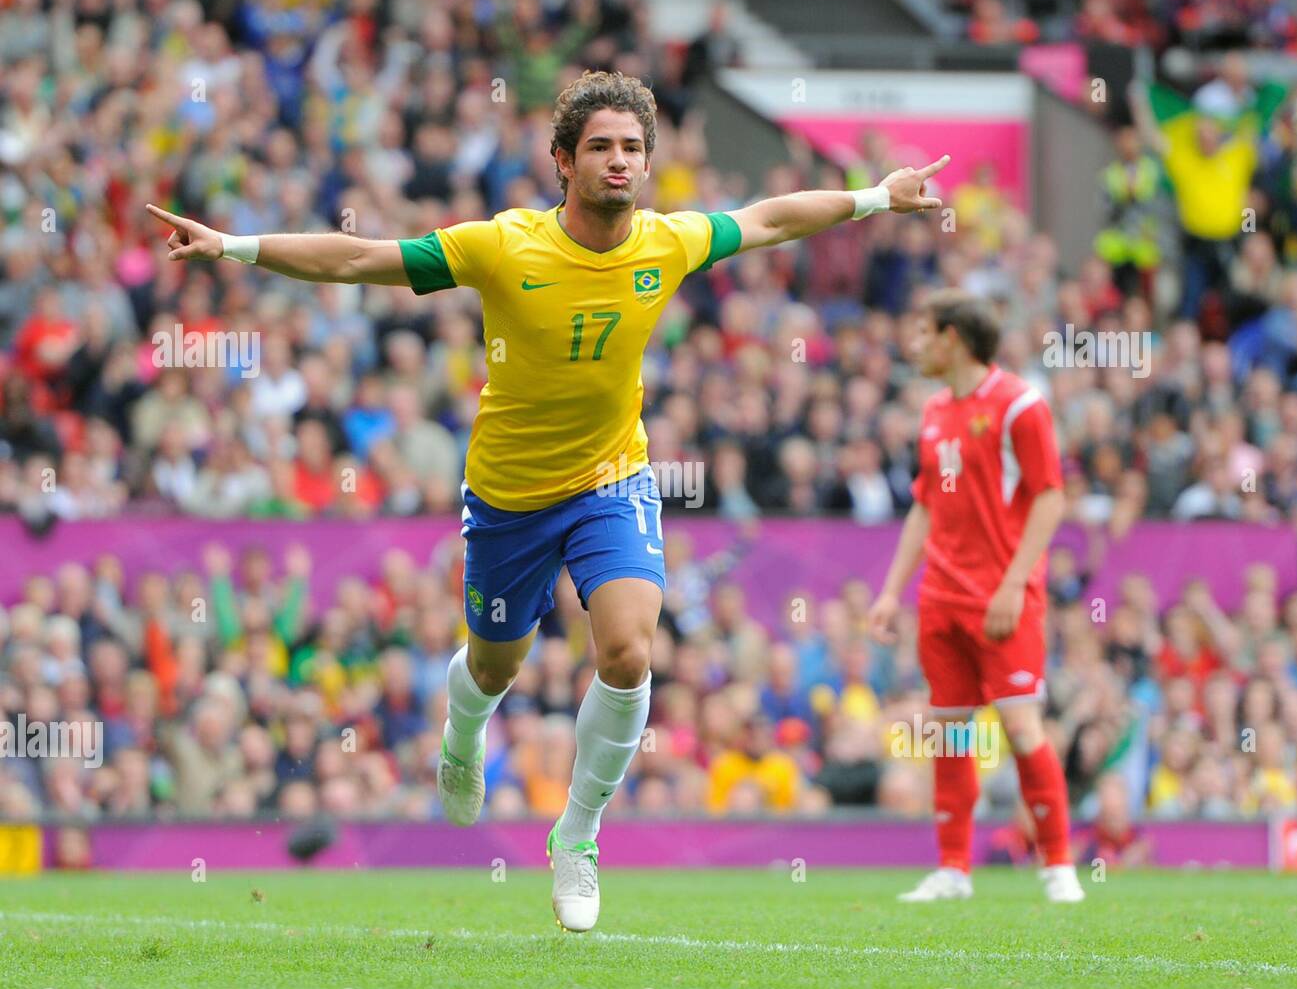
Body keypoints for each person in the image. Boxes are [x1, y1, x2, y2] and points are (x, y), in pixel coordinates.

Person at [147, 69, 948, 931]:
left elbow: (772, 218)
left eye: (633, 148)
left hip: (612, 481)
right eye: (600, 147)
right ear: (562, 160)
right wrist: (233, 247)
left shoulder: (669, 241)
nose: (619, 162)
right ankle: (462, 734)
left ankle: (578, 833)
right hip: (508, 499)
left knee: (632, 653)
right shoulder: (502, 245)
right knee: (495, 666)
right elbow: (358, 257)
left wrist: (874, 196)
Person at [866, 290, 1085, 904]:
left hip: (1002, 598)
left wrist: (1015, 583)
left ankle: (1059, 865)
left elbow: (1049, 495)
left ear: (953, 338)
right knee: (950, 730)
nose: (914, 344)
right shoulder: (934, 411)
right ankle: (954, 869)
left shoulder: (1020, 406)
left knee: (1020, 725)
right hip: (941, 596)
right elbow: (924, 506)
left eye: (923, 332)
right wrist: (890, 592)